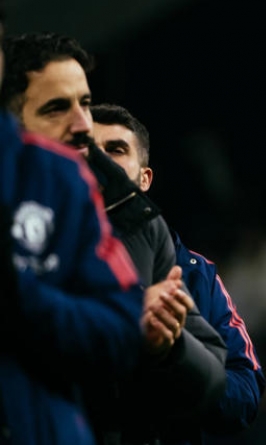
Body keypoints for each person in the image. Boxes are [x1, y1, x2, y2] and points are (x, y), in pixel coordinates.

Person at [0, 32, 227, 444]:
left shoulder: (137, 221)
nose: (82, 126)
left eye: (85, 103)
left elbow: (216, 381)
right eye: (56, 108)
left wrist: (165, 344)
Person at [91, 102, 266, 442]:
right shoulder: (48, 259)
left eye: (116, 149)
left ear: (145, 178)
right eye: (91, 151)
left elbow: (245, 392)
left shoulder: (196, 273)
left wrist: (173, 355)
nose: (100, 161)